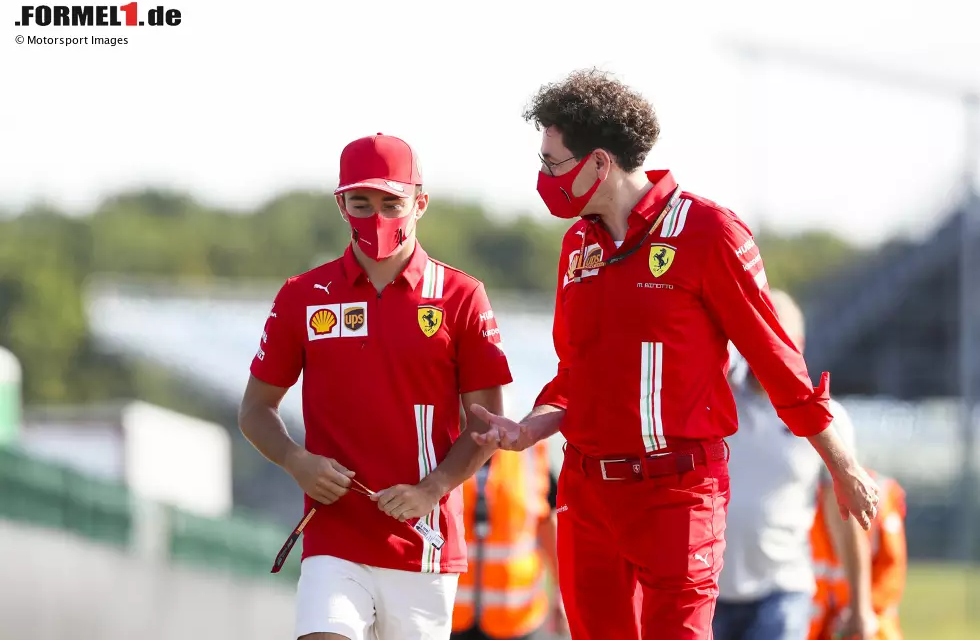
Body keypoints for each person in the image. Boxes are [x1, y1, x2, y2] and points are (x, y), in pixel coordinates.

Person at [468, 69, 881, 640]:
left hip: (677, 492)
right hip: (588, 496)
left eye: (552, 162)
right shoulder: (577, 246)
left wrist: (841, 464)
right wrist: (527, 429)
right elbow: (574, 376)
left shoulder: (708, 232)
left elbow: (776, 360)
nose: (543, 178)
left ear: (599, 163)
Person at [238, 132, 514, 640]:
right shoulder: (303, 295)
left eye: (392, 202)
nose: (377, 216)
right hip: (332, 536)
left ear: (420, 203)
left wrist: (431, 490)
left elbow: (487, 426)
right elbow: (256, 409)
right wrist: (297, 462)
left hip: (424, 543)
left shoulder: (462, 296)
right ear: (341, 203)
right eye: (360, 202)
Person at [714, 290, 875, 640]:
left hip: (782, 591)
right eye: (756, 334)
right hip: (706, 589)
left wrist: (861, 605)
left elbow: (843, 517)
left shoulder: (826, 420)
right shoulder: (713, 399)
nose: (765, 348)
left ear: (798, 344)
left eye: (775, 336)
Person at [451, 441, 568, 640]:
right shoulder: (439, 449)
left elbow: (549, 526)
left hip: (516, 618)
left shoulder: (531, 455)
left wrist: (561, 594)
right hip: (451, 615)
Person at [809, 470, 907, 640]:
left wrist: (859, 610)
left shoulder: (881, 493)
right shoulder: (798, 496)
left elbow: (889, 575)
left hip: (863, 626)